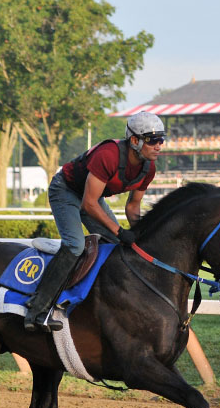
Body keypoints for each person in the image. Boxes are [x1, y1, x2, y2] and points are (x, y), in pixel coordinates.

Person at [24, 111, 165, 331]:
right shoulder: (108, 155)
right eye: (153, 140)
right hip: (66, 191)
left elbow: (132, 206)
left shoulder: (149, 167)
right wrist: (119, 230)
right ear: (135, 140)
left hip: (91, 197)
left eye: (161, 140)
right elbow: (88, 205)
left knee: (121, 247)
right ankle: (37, 308)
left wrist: (138, 235)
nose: (159, 145)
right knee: (75, 245)